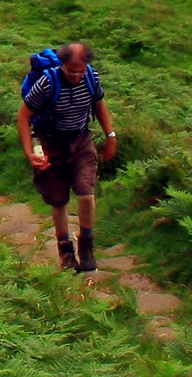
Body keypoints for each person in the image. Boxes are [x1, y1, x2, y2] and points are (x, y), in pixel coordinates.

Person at [17, 42, 117, 272]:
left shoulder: (91, 77)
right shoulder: (47, 83)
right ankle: (65, 250)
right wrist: (30, 152)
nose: (76, 75)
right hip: (51, 143)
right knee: (58, 199)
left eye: (80, 70)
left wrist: (110, 135)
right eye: (71, 70)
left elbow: (99, 103)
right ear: (62, 65)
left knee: (86, 194)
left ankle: (87, 245)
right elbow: (23, 116)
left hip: (80, 140)